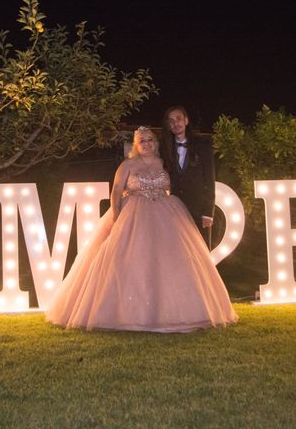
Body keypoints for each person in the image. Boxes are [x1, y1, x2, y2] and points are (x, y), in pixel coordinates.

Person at [46, 126, 237, 332]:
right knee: (130, 262)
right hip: (133, 216)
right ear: (136, 146)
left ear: (156, 143)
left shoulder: (165, 163)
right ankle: (125, 315)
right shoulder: (127, 164)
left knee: (169, 262)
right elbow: (116, 192)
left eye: (150, 140)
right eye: (142, 141)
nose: (147, 144)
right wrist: (117, 219)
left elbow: (177, 186)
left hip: (167, 216)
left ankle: (172, 312)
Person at [160, 105, 216, 247]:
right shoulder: (164, 148)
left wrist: (208, 212)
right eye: (171, 121)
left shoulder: (203, 145)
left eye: (178, 118)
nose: (175, 123)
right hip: (174, 210)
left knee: (201, 251)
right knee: (178, 250)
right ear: (168, 125)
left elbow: (210, 180)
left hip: (198, 209)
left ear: (186, 120)